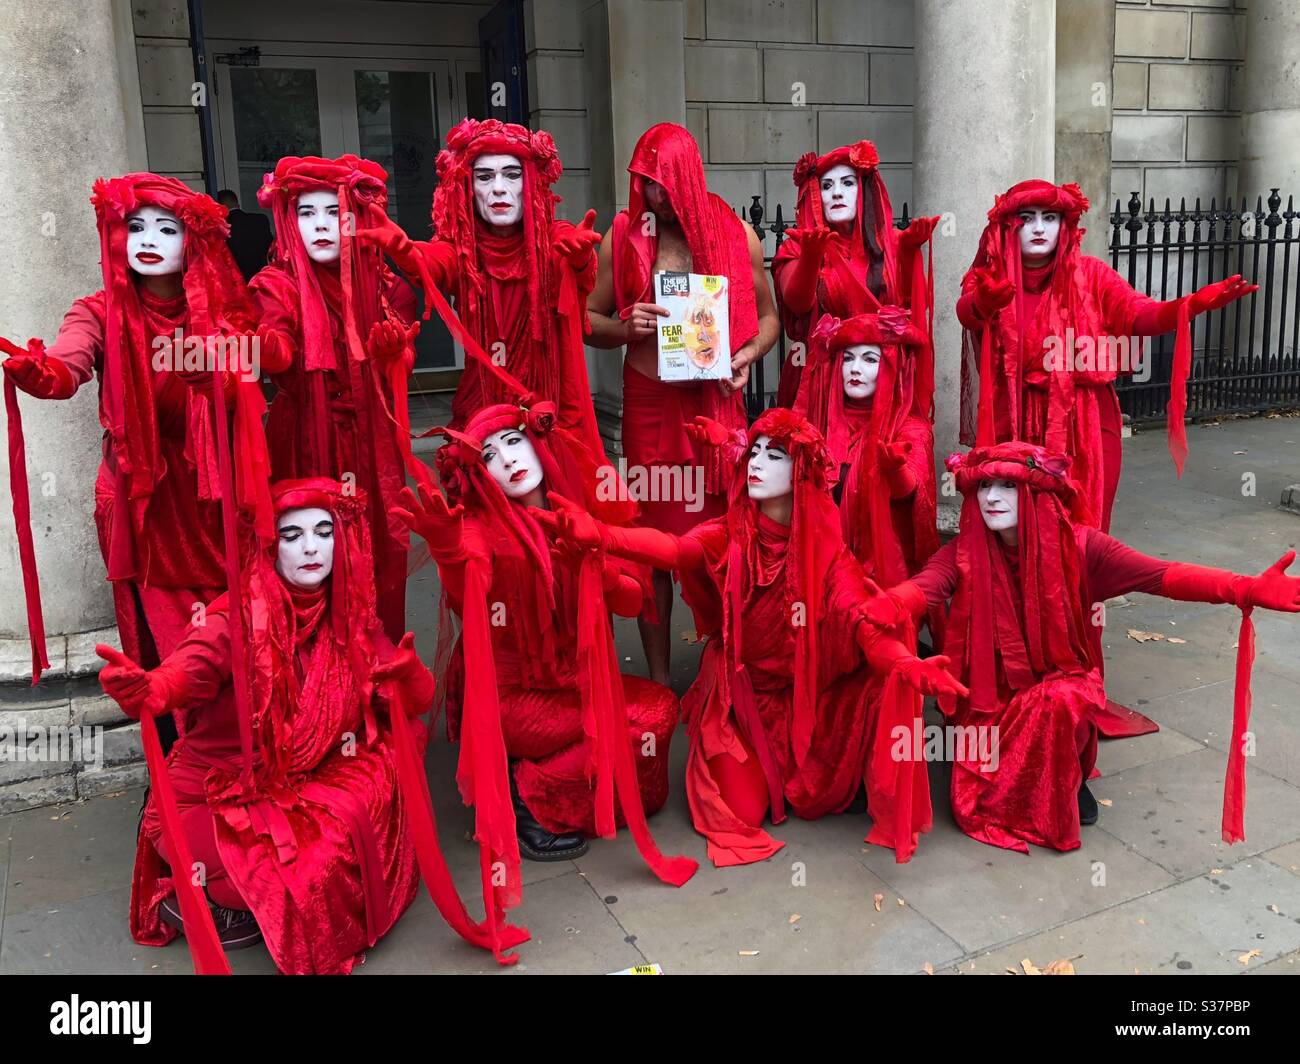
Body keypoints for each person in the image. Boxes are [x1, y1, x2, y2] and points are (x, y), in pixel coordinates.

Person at [536, 407, 966, 867]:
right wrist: (603, 536)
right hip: (742, 701)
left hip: (807, 698)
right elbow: (675, 550)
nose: (757, 462)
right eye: (754, 452)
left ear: (801, 471)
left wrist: (906, 664)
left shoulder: (828, 553)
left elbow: (863, 623)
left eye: (774, 454)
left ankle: (840, 766)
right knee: (742, 813)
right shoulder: (731, 532)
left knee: (874, 697)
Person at [98, 479, 450, 974]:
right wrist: (152, 690)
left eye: (324, 531)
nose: (311, 547)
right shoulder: (234, 620)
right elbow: (187, 669)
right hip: (213, 798)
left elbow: (417, 701)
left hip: (304, 778)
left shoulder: (350, 612)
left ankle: (257, 901)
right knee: (298, 874)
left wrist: (409, 673)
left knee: (395, 753)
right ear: (268, 545)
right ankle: (213, 894)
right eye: (292, 535)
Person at [883, 441, 1300, 853]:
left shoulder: (1083, 546)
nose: (991, 497)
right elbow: (924, 588)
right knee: (979, 793)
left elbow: (1162, 575)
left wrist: (1243, 588)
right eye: (985, 486)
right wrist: (889, 604)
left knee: (1064, 698)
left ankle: (1065, 780)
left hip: (1056, 681)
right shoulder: (964, 551)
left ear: (1038, 492)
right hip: (989, 696)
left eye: (1008, 486)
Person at [393, 401, 695, 935]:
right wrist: (444, 548)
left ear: (538, 443)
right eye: (489, 455)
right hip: (512, 701)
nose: (508, 459)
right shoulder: (479, 532)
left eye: (515, 441)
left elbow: (630, 601)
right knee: (620, 739)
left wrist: (592, 563)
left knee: (659, 713)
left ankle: (528, 775)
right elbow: (469, 593)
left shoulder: (575, 509)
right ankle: (528, 795)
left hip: (576, 682)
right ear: (475, 474)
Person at [1, 173, 270, 676]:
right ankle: (171, 741)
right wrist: (43, 374)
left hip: (212, 490)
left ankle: (228, 742)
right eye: (136, 227)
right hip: (139, 492)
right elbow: (70, 360)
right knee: (160, 640)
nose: (148, 240)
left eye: (167, 229)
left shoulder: (222, 311)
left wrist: (216, 377)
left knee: (229, 627)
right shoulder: (98, 310)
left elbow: (246, 379)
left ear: (194, 238)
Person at [585, 122, 781, 686]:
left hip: (712, 412)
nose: (657, 198)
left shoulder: (736, 234)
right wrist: (624, 327)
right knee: (653, 549)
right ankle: (661, 681)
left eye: (667, 185)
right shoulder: (624, 235)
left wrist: (745, 356)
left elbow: (770, 319)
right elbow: (583, 320)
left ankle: (727, 670)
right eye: (647, 184)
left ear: (690, 176)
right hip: (649, 408)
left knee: (721, 541)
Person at [956, 179, 1256, 532]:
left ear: (1064, 225)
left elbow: (1139, 313)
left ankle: (1082, 586)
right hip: (1016, 418)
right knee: (1016, 523)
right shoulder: (990, 277)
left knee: (1084, 519)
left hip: (1087, 420)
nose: (1038, 228)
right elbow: (967, 312)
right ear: (1009, 225)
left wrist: (1187, 307)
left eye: (1049, 217)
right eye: (1026, 217)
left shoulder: (1092, 275)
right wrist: (985, 302)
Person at [354, 118, 605, 455]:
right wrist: (406, 251)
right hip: (483, 399)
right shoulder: (462, 248)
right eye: (485, 177)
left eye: (512, 175)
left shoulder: (554, 237)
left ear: (531, 182)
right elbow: (434, 260)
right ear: (467, 188)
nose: (498, 188)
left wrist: (579, 260)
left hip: (546, 397)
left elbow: (574, 260)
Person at [252, 154, 419, 639]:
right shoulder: (275, 285)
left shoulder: (387, 286)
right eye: (307, 213)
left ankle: (380, 676)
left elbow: (400, 368)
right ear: (288, 220)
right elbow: (276, 348)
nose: (321, 225)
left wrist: (394, 357)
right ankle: (317, 680)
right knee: (308, 556)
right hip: (304, 438)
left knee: (379, 553)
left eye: (335, 213)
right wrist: (259, 346)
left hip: (372, 440)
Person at [773, 140, 938, 407]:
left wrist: (908, 254)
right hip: (821, 382)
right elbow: (797, 304)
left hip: (883, 378)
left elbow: (911, 307)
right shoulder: (797, 246)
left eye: (848, 183)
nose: (837, 193)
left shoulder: (893, 244)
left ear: (864, 191)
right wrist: (811, 258)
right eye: (826, 186)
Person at [794, 307, 940, 598]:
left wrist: (895, 471)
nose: (854, 368)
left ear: (892, 365)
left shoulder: (911, 428)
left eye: (869, 359)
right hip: (826, 568)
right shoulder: (822, 421)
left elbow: (913, 497)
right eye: (847, 358)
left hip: (883, 578)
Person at [216, 188, 274, 282]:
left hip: (238, 284)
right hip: (264, 280)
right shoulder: (260, 220)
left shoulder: (221, 228)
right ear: (237, 204)